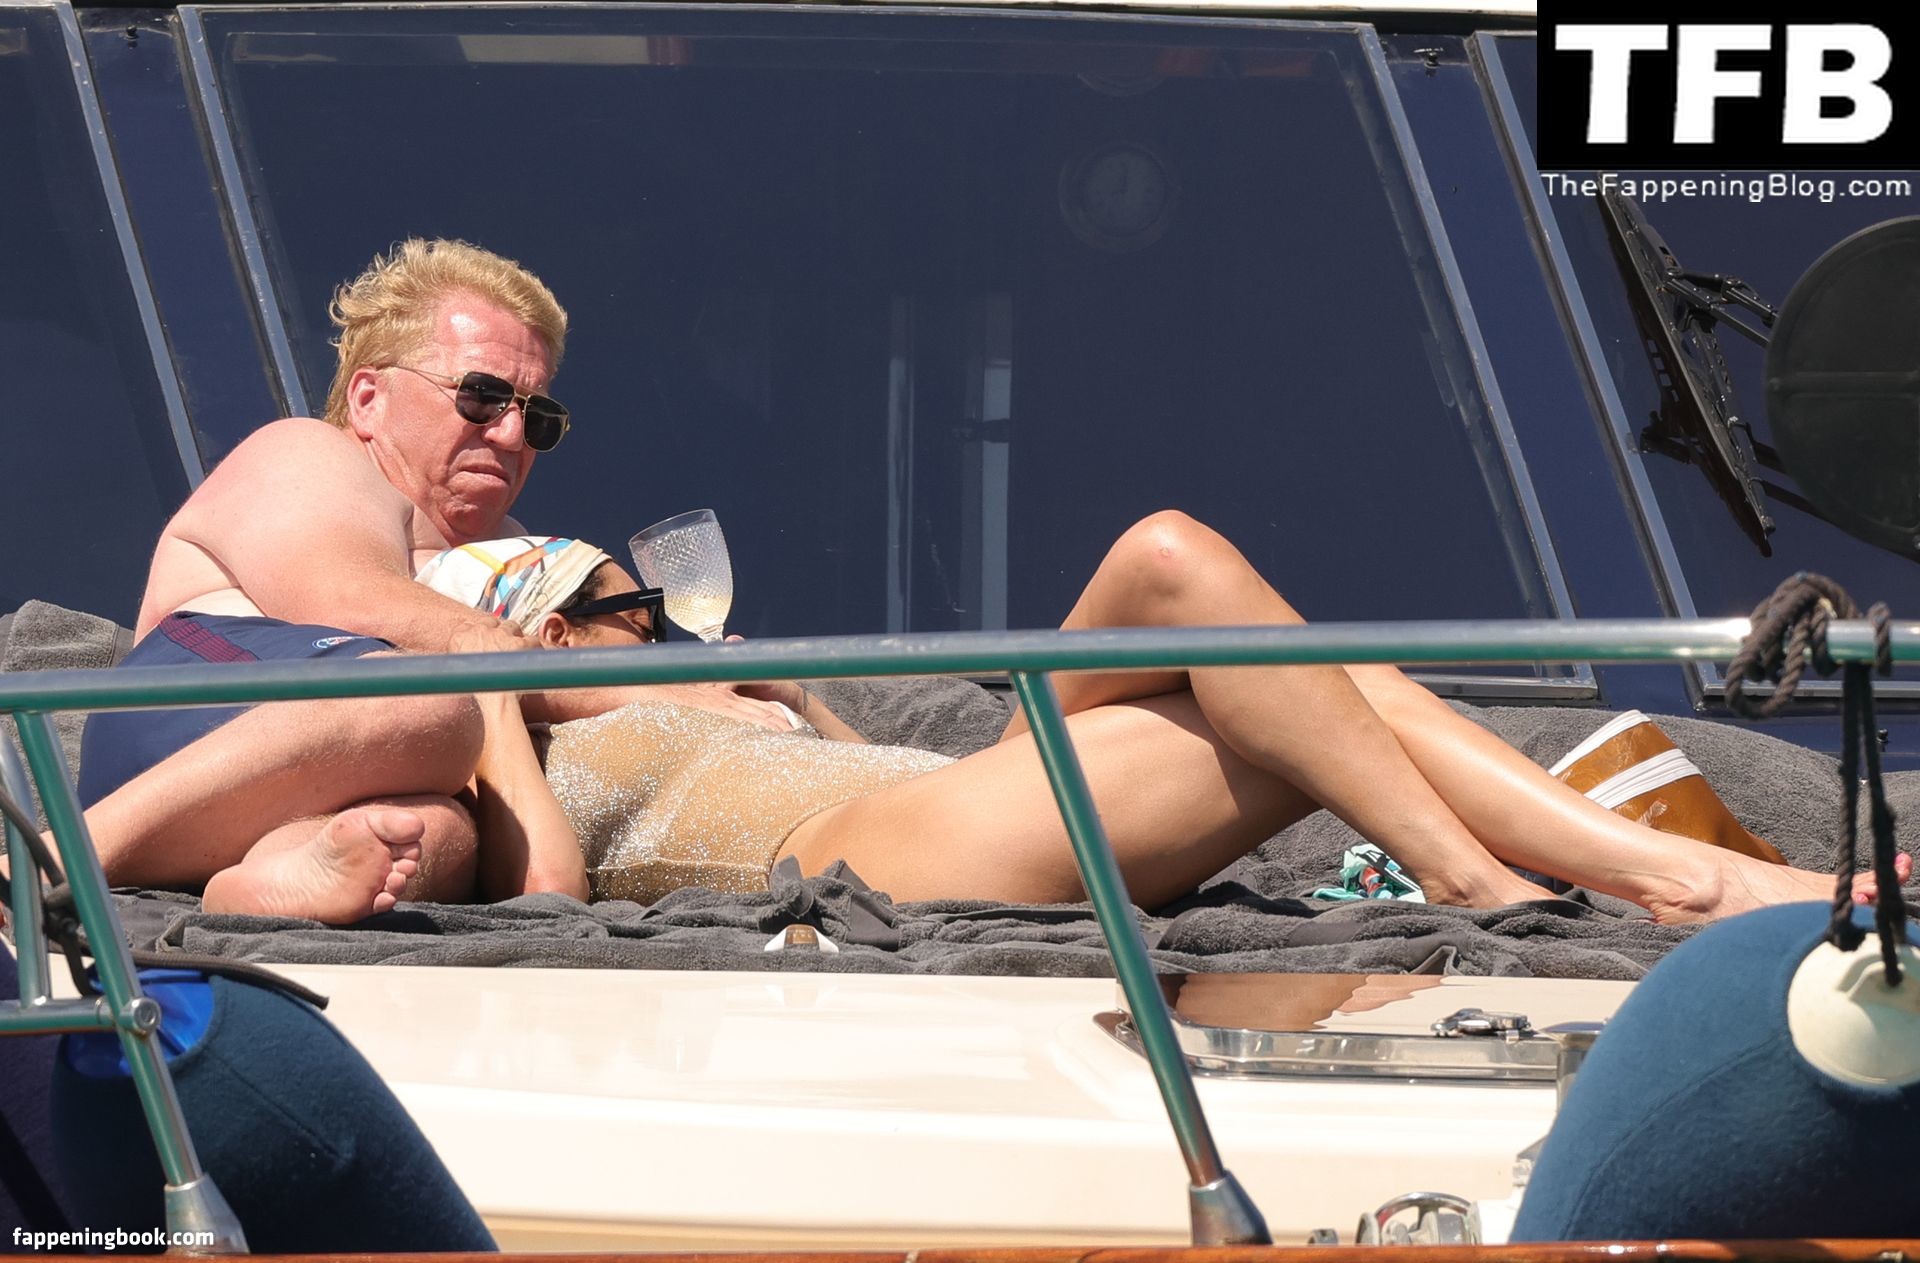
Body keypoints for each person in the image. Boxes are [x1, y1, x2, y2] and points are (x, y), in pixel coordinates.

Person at [426, 528, 1902, 923]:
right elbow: (545, 883)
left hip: (957, 792)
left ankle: (1634, 876)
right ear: (537, 630)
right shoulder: (524, 715)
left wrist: (769, 682)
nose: (661, 623)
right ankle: (1648, 877)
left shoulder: (726, 685)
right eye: (627, 605)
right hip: (856, 858)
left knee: (1183, 569)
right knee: (1305, 677)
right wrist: (485, 689)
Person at [69, 240, 793, 924]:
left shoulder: (510, 552)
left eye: (537, 416)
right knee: (433, 700)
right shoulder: (307, 454)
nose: (511, 435)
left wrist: (743, 696)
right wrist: (652, 690)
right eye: (481, 395)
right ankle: (58, 858)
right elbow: (357, 606)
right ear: (368, 398)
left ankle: (267, 877)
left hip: (316, 777)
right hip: (183, 723)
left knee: (436, 832)